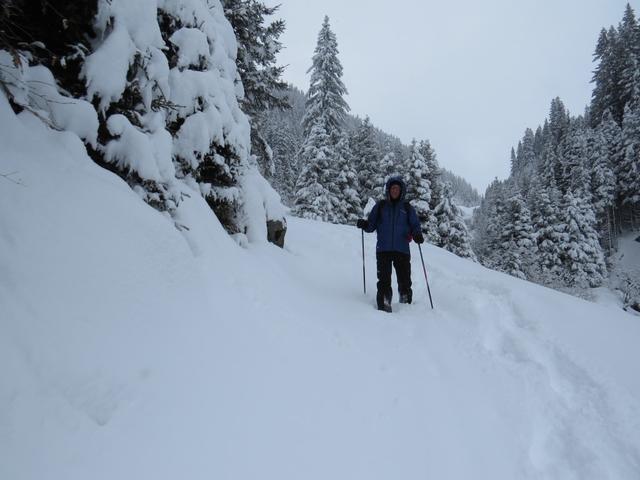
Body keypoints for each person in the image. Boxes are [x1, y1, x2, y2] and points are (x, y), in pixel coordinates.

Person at [356, 176, 424, 312]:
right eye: (392, 188)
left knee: (404, 280)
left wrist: (417, 234)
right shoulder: (380, 206)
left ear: (401, 191)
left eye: (397, 189)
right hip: (384, 249)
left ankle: (406, 302)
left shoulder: (407, 208)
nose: (394, 191)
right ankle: (384, 302)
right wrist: (365, 225)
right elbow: (371, 226)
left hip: (402, 249)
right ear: (388, 190)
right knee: (384, 279)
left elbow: (415, 225)